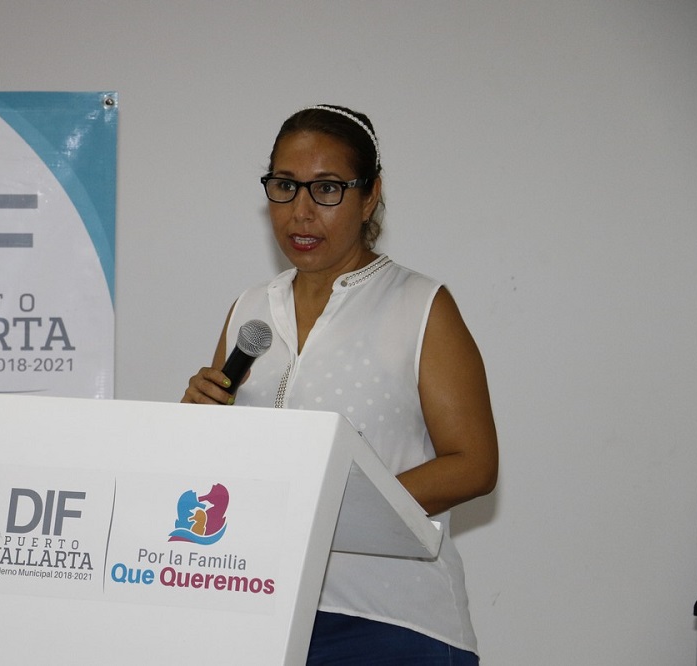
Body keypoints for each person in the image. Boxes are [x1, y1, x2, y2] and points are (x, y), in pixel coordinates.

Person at [182, 104, 498, 664]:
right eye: (285, 186)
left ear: (370, 195)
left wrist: (332, 507)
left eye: (327, 189)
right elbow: (221, 470)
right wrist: (195, 424)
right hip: (260, 611)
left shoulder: (419, 304)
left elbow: (473, 464)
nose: (300, 212)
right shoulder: (250, 309)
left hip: (391, 622)